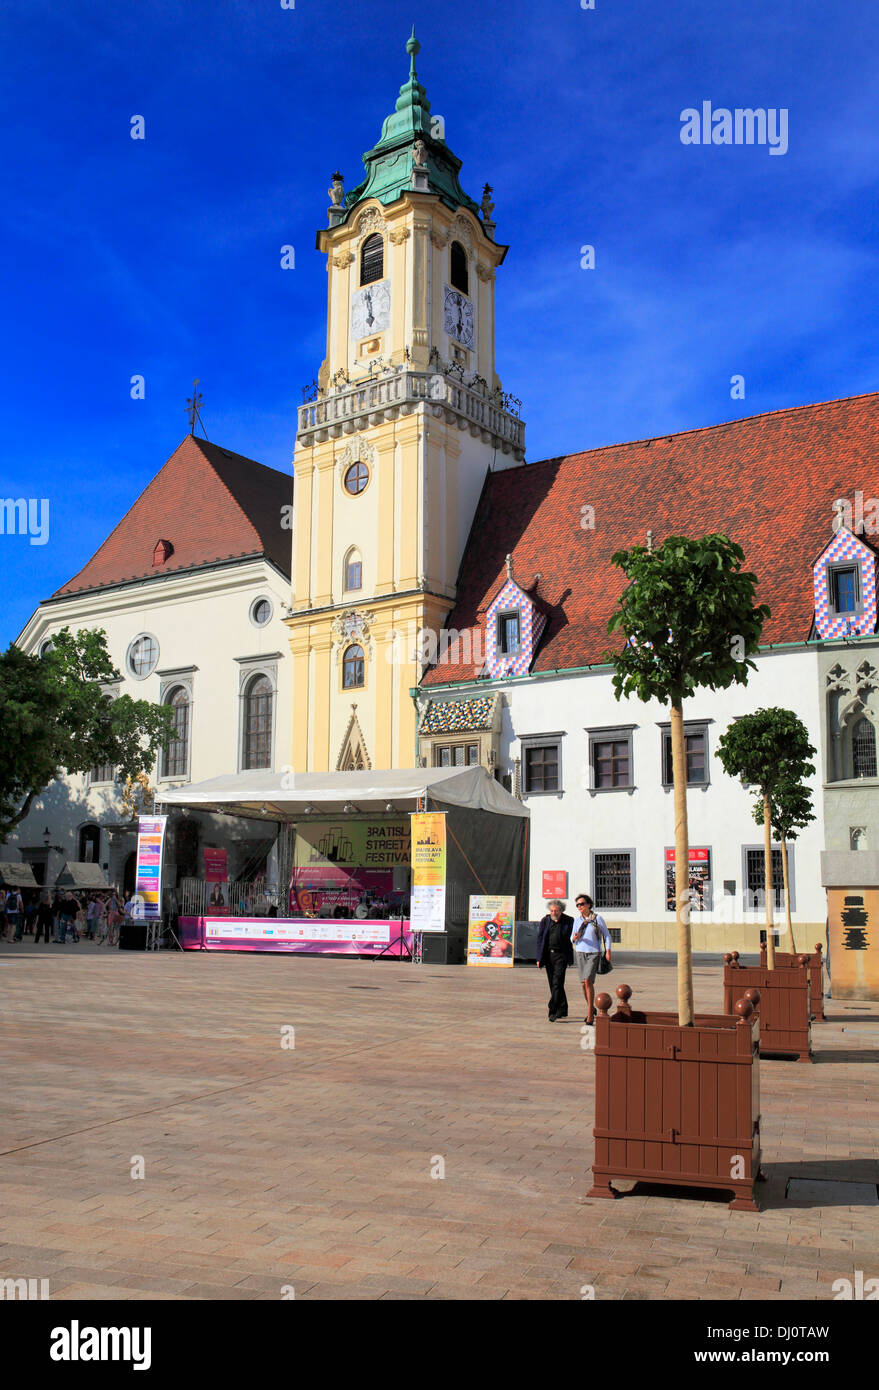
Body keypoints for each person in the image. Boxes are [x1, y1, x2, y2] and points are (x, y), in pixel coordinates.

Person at [572, 893, 613, 1026]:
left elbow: (606, 935)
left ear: (588, 905)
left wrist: (608, 950)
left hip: (593, 953)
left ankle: (590, 1015)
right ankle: (592, 1007)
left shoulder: (597, 919)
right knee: (583, 984)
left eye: (582, 904)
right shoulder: (577, 921)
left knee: (588, 981)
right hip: (580, 952)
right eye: (577, 904)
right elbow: (571, 938)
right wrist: (575, 938)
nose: (579, 906)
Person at [536, 899, 574, 1021]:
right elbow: (540, 939)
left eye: (556, 910)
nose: (554, 912)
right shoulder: (545, 920)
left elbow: (573, 937)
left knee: (557, 982)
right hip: (548, 956)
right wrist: (538, 958)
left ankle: (552, 1010)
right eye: (552, 910)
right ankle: (562, 1008)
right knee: (553, 984)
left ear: (561, 910)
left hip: (561, 956)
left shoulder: (569, 921)